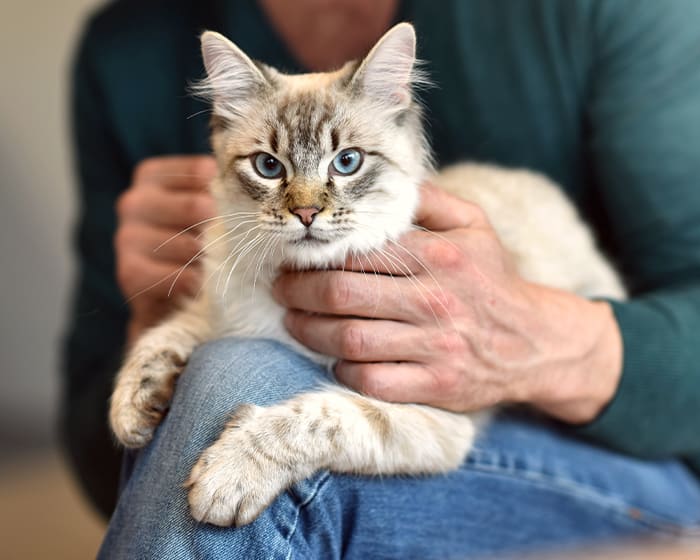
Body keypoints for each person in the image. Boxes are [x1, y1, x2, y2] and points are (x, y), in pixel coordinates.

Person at [63, 0, 700, 557]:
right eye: (267, 166)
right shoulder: (127, 49)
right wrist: (158, 326)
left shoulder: (611, 12)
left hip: (603, 450)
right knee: (226, 364)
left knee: (235, 377)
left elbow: (439, 431)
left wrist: (544, 341)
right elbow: (108, 459)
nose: (306, 203)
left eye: (345, 162)